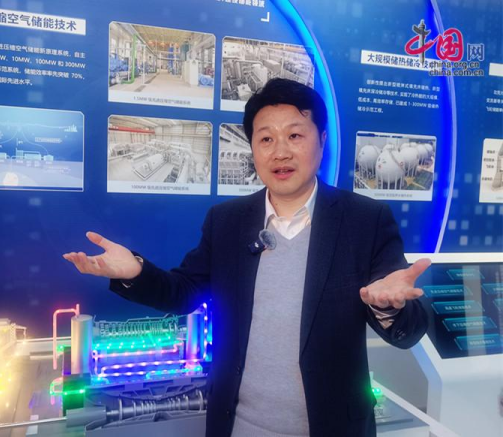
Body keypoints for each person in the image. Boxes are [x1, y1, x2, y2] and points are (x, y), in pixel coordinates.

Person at [63, 78, 430, 437]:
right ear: (252, 147)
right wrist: (135, 272)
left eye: (295, 136)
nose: (280, 152)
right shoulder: (227, 221)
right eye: (266, 139)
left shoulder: (364, 220)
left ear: (322, 140)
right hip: (239, 426)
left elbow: (409, 331)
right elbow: (183, 292)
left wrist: (388, 306)